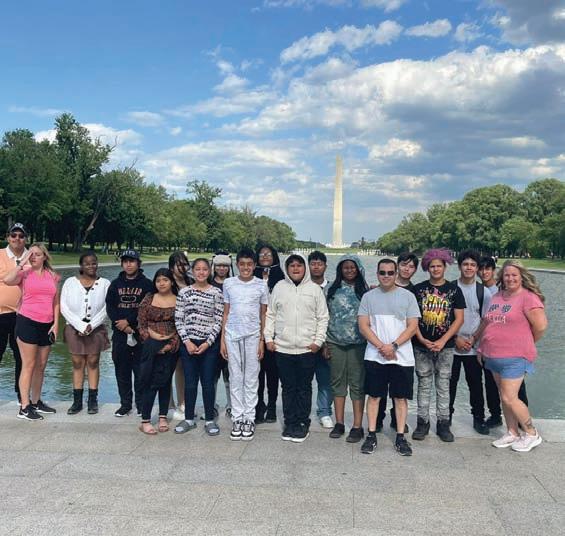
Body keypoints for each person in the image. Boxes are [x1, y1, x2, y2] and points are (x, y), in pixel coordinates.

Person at [478, 260, 547, 452]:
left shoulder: (528, 298)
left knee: (510, 397)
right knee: (504, 396)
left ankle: (531, 433)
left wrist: (525, 342)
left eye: (514, 275)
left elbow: (541, 326)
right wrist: (481, 348)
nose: (510, 278)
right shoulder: (497, 296)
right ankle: (512, 432)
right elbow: (490, 323)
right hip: (493, 355)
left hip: (515, 357)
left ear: (521, 277)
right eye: (506, 275)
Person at [358, 259, 420, 455]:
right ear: (377, 274)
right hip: (375, 355)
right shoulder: (368, 297)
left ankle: (400, 437)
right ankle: (371, 434)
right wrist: (381, 347)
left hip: (402, 356)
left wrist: (393, 346)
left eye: (390, 273)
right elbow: (363, 326)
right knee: (374, 396)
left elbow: (412, 326)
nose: (386, 276)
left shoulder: (408, 296)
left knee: (400, 398)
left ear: (396, 274)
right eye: (382, 272)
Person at [264, 254, 329, 443]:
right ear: (287, 268)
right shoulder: (279, 287)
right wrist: (268, 338)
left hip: (307, 348)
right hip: (283, 348)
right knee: (288, 387)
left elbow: (322, 317)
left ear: (305, 268)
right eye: (291, 265)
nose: (295, 268)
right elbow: (271, 314)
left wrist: (318, 341)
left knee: (304, 387)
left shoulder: (314, 289)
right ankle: (290, 422)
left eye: (299, 265)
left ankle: (302, 422)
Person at [412, 248, 465, 443]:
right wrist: (421, 338)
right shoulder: (418, 290)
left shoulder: (454, 290)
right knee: (424, 384)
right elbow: (412, 318)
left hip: (446, 346)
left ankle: (443, 423)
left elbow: (459, 319)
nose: (435, 269)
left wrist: (443, 340)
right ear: (427, 268)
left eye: (439, 266)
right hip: (421, 345)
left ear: (445, 267)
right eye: (432, 266)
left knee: (443, 385)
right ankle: (422, 422)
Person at [4, 243, 59, 420]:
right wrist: (22, 263)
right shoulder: (24, 273)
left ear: (44, 257)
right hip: (27, 322)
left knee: (41, 365)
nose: (33, 257)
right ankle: (24, 406)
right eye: (31, 254)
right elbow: (7, 280)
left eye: (37, 254)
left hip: (47, 324)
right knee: (28, 364)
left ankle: (36, 402)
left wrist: (56, 324)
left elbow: (55, 301)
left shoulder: (52, 275)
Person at [220, 248, 269, 441]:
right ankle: (237, 417)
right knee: (235, 377)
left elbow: (263, 314)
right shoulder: (229, 283)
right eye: (242, 264)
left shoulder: (261, 285)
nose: (246, 268)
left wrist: (262, 340)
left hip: (253, 335)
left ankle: (249, 417)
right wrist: (223, 340)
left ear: (255, 265)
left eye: (249, 264)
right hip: (232, 335)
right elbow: (226, 312)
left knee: (251, 378)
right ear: (237, 265)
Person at [174, 258, 223, 436]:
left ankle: (209, 419)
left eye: (204, 269)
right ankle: (188, 419)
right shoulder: (184, 292)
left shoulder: (216, 292)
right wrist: (186, 341)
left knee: (208, 382)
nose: (201, 272)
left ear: (209, 272)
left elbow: (219, 320)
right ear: (192, 271)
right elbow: (179, 319)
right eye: (198, 269)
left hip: (208, 344)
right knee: (190, 383)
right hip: (188, 343)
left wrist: (208, 342)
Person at [478, 256, 529, 427]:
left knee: (515, 387)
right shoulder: (480, 290)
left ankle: (522, 420)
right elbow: (486, 320)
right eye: (481, 269)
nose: (484, 272)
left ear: (494, 271)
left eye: (487, 268)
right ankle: (495, 415)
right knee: (491, 384)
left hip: (511, 350)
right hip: (488, 347)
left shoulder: (503, 291)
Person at [325, 255, 369, 443]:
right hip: (335, 342)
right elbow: (324, 316)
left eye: (353, 267)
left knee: (357, 385)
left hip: (359, 344)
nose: (349, 270)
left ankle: (357, 426)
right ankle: (339, 422)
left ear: (358, 269)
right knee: (337, 383)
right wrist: (325, 343)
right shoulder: (331, 289)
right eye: (345, 267)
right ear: (340, 270)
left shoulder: (366, 291)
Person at [60, 251, 110, 415]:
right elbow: (64, 307)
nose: (91, 266)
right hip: (74, 327)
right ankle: (77, 401)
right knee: (77, 362)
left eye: (94, 263)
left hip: (96, 328)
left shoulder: (105, 284)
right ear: (81, 265)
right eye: (87, 263)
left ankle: (92, 400)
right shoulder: (70, 283)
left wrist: (91, 325)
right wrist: (80, 325)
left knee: (93, 362)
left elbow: (107, 308)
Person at [449, 250, 492, 435]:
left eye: (472, 265)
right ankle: (446, 417)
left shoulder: (484, 292)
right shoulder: (450, 288)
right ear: (459, 266)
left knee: (475, 384)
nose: (469, 268)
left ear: (477, 268)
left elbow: (486, 319)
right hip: (451, 345)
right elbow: (443, 318)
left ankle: (478, 418)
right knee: (448, 384)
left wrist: (474, 338)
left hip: (473, 346)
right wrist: (455, 338)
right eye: (465, 264)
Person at [105, 249, 153, 417]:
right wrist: (121, 324)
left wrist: (130, 322)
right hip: (120, 333)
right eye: (125, 261)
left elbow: (146, 307)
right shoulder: (115, 284)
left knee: (141, 371)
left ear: (138, 263)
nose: (128, 264)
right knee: (122, 370)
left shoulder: (147, 284)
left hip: (140, 333)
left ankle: (141, 405)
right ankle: (125, 404)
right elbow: (110, 306)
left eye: (132, 261)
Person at [377, 251, 419, 432]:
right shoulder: (378, 289)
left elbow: (415, 322)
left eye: (411, 266)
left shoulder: (415, 292)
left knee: (400, 387)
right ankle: (377, 418)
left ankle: (397, 419)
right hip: (381, 345)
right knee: (379, 386)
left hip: (405, 344)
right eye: (403, 265)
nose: (406, 269)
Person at [137, 269, 180, 435]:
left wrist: (170, 345)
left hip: (171, 346)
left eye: (165, 280)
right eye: (158, 280)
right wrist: (150, 340)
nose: (161, 283)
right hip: (150, 346)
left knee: (165, 381)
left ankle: (163, 416)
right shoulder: (149, 298)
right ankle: (145, 420)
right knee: (150, 382)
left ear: (171, 282)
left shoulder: (179, 300)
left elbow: (181, 326)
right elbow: (141, 323)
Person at [253, 244, 285, 423]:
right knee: (257, 372)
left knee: (273, 372)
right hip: (254, 331)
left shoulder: (281, 278)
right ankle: (259, 405)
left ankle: (272, 405)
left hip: (274, 332)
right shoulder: (251, 277)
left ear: (274, 256)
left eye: (268, 254)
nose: (265, 256)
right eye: (261, 254)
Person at [0, 223, 28, 405]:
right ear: (8, 237)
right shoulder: (0, 255)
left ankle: (22, 395)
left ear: (26, 238)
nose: (17, 238)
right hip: (1, 314)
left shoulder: (32, 256)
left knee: (22, 357)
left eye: (21, 235)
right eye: (14, 235)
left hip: (23, 316)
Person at [308, 250, 333, 429]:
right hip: (306, 341)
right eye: (313, 263)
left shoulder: (333, 288)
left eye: (320, 264)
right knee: (303, 380)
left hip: (327, 342)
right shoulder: (302, 287)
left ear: (325, 266)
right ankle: (302, 410)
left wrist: (326, 342)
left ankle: (324, 411)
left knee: (325, 379)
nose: (316, 267)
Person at [168, 251, 192, 420]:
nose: (182, 267)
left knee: (181, 367)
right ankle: (169, 404)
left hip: (187, 330)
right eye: (179, 264)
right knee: (167, 367)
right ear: (172, 267)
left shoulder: (191, 282)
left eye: (185, 263)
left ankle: (182, 402)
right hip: (169, 329)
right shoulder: (167, 283)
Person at [212, 252, 234, 418]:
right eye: (219, 265)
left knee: (229, 373)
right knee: (211, 374)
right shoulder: (208, 284)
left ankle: (231, 405)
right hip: (211, 335)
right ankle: (211, 405)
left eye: (225, 266)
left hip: (230, 334)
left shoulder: (233, 284)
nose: (222, 268)